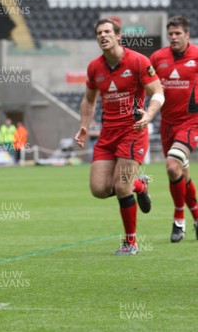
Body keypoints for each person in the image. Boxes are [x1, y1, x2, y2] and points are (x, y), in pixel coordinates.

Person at [75, 19, 164, 255]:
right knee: (99, 189)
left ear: (118, 36)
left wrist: (149, 114)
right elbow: (89, 99)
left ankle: (130, 243)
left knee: (121, 187)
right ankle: (140, 185)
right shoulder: (95, 67)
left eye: (107, 32)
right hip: (107, 135)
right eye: (99, 33)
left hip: (132, 132)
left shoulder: (138, 61)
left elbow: (158, 92)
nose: (103, 35)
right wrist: (84, 125)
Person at [150, 16, 198, 242]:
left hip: (191, 123)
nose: (174, 37)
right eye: (171, 34)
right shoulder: (158, 58)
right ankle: (197, 216)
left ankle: (179, 219)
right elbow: (146, 83)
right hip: (166, 124)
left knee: (171, 165)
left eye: (178, 33)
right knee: (181, 174)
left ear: (187, 35)